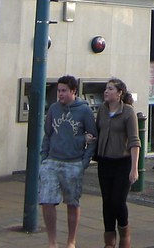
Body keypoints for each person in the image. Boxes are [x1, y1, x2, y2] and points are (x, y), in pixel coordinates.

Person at [39, 74, 96, 248]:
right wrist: (44, 158)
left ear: (73, 91)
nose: (60, 94)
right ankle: (52, 242)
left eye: (64, 91)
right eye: (58, 91)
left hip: (73, 163)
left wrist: (84, 162)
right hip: (52, 161)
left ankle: (71, 241)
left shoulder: (84, 111)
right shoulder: (54, 109)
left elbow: (93, 137)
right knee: (47, 200)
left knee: (72, 202)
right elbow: (47, 134)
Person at [94, 78, 140, 248]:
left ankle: (125, 234)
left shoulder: (128, 112)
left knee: (117, 201)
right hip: (105, 162)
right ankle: (109, 241)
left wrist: (134, 169)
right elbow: (97, 130)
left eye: (111, 89)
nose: (106, 91)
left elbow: (135, 142)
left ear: (120, 93)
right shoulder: (102, 110)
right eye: (106, 88)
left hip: (123, 163)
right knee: (106, 201)